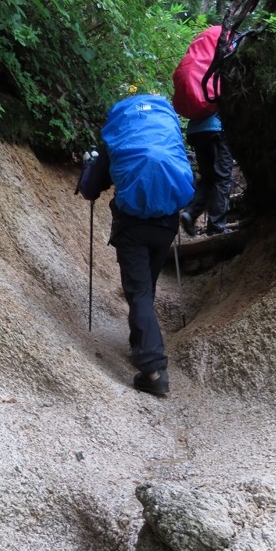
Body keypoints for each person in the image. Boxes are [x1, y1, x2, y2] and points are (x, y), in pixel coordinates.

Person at [77, 114, 186, 398]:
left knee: (138, 292)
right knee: (145, 287)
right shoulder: (166, 138)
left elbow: (90, 190)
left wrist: (90, 164)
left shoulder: (117, 142)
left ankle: (153, 370)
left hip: (132, 227)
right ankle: (142, 344)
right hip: (165, 224)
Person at [180, 111, 234, 237]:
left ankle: (190, 212)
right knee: (223, 179)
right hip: (217, 128)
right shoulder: (221, 90)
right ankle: (217, 227)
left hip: (196, 131)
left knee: (208, 179)